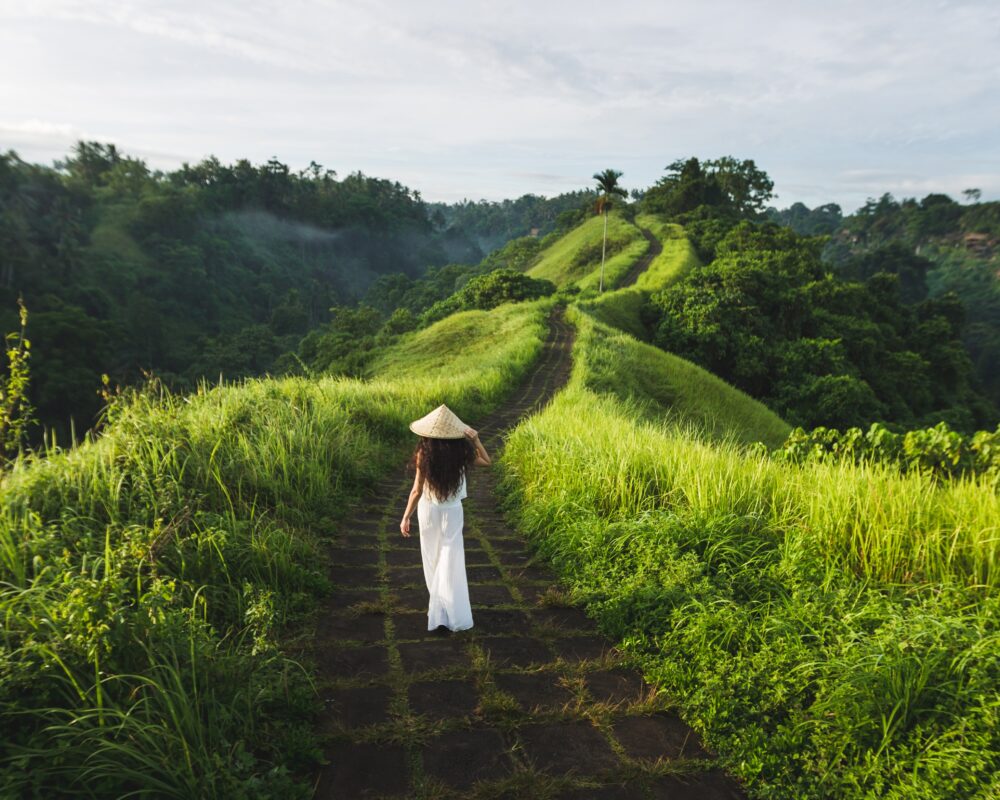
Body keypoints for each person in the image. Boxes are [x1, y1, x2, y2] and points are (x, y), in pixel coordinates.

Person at [400, 404, 491, 632]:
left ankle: (439, 610)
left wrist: (406, 516)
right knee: (450, 558)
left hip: (429, 511)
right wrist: (476, 440)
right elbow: (487, 461)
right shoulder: (462, 453)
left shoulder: (424, 454)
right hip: (452, 512)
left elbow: (416, 490)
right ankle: (451, 612)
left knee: (432, 557)